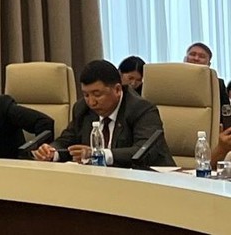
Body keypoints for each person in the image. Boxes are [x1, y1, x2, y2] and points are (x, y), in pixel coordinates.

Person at [32, 60, 175, 167]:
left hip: (152, 182)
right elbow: (66, 140)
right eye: (86, 95)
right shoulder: (82, 109)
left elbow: (144, 152)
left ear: (117, 90)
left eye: (97, 94)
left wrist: (98, 154)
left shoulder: (141, 109)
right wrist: (51, 151)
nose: (91, 102)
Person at [183, 42, 230, 107]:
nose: (196, 58)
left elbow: (225, 109)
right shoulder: (174, 80)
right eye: (192, 54)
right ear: (185, 59)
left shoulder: (217, 83)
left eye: (202, 56)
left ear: (209, 64)